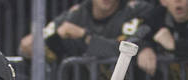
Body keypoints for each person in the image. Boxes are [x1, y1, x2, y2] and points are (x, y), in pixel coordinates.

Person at [19, 0, 153, 61]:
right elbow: (27, 45)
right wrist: (32, 44)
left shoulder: (135, 10)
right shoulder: (78, 13)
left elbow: (125, 50)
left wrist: (85, 36)